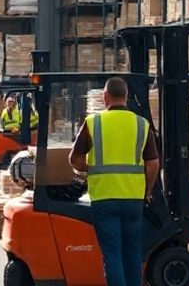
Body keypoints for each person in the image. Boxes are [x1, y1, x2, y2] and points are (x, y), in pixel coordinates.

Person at [69, 78, 160, 286]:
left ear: (105, 97)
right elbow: (153, 164)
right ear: (126, 97)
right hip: (133, 198)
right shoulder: (141, 124)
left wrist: (92, 170)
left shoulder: (94, 123)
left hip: (104, 198)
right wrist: (147, 191)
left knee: (112, 254)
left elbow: (74, 160)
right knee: (133, 251)